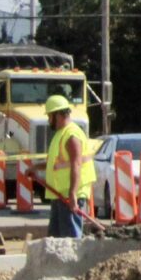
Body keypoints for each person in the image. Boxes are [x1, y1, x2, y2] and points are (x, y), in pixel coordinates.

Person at [40, 94, 98, 239]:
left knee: (70, 239)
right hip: (59, 194)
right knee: (55, 239)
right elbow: (56, 163)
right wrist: (35, 168)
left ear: (58, 115)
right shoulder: (61, 134)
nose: (49, 120)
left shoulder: (72, 135)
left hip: (70, 195)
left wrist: (73, 194)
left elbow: (76, 164)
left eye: (50, 116)